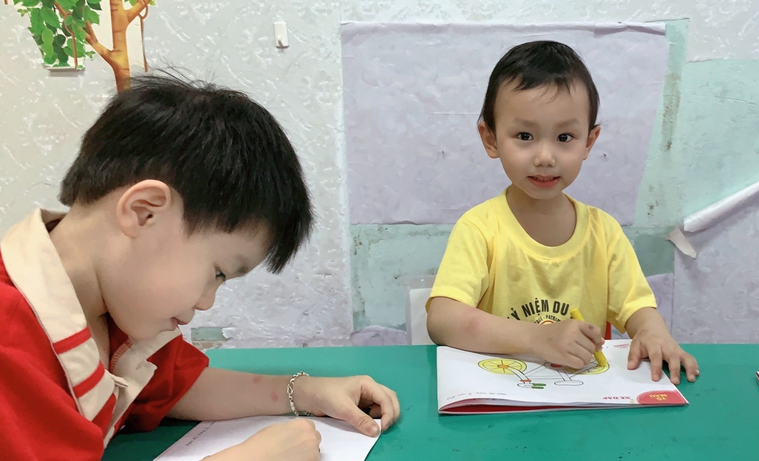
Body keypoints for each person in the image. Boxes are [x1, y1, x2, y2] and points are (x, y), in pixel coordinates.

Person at [0, 74, 399, 461]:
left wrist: (308, 392)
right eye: (218, 273)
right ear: (144, 213)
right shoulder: (10, 337)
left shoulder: (113, 309)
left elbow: (178, 386)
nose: (207, 302)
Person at [426, 41, 698, 386]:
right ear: (491, 139)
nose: (545, 157)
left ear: (589, 142)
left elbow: (637, 308)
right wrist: (538, 338)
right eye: (525, 135)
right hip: (502, 395)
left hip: (584, 398)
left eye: (565, 137)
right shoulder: (480, 228)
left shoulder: (604, 232)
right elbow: (442, 320)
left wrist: (652, 332)